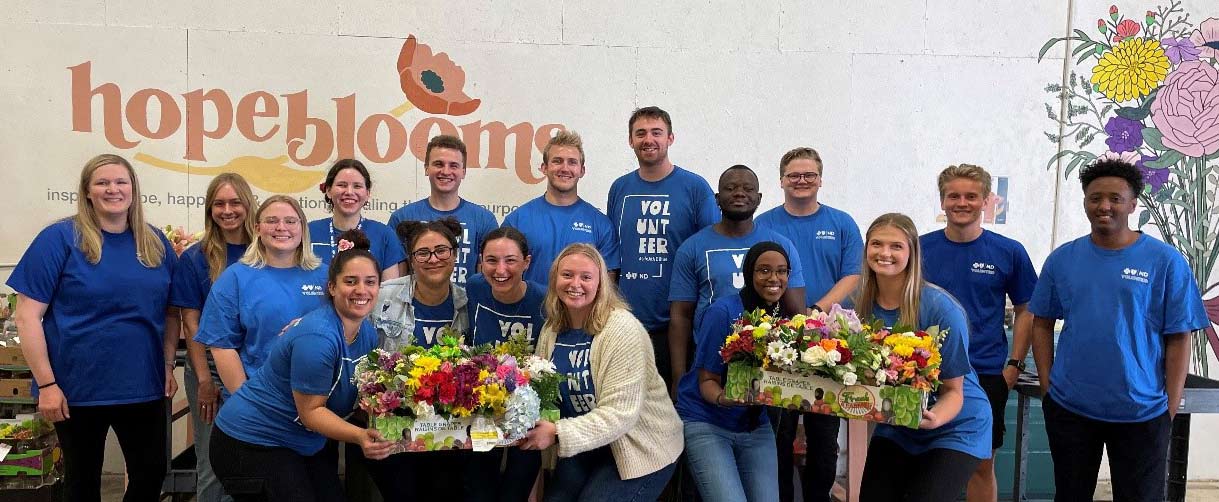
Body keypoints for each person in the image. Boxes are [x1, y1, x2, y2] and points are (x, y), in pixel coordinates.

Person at [1029, 159, 1208, 502]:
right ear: (1085, 202)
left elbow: (1180, 337)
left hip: (1143, 412)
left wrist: (1168, 407)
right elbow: (1041, 321)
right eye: (1095, 198)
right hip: (1071, 409)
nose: (1104, 206)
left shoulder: (1165, 262)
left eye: (1115, 198)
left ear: (1133, 203)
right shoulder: (1063, 260)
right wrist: (1048, 387)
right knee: (1069, 495)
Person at [9, 153, 178, 501]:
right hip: (75, 388)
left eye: (121, 182)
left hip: (143, 385)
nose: (112, 189)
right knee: (82, 481)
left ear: (133, 189)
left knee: (151, 473)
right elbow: (27, 316)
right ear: (87, 191)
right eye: (102, 182)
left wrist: (166, 365)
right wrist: (47, 384)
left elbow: (172, 312)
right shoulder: (59, 239)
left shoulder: (154, 241)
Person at [209, 229, 396, 501]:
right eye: (350, 281)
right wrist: (360, 436)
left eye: (370, 282)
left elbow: (362, 395)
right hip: (249, 441)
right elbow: (311, 413)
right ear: (331, 287)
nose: (361, 290)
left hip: (299, 442)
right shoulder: (318, 337)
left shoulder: (365, 333)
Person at [518, 244, 683, 502]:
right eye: (567, 275)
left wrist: (556, 433)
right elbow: (543, 394)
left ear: (601, 283)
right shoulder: (552, 329)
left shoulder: (622, 329)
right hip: (586, 442)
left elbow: (620, 414)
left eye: (586, 277)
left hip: (640, 446)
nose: (575, 284)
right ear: (554, 279)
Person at [854, 213, 993, 502]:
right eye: (876, 244)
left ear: (912, 252)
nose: (884, 253)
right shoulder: (858, 305)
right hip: (899, 421)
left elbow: (955, 392)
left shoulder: (941, 309)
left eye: (896, 246)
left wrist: (934, 418)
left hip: (953, 422)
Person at [919, 164, 1037, 502]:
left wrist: (1013, 364)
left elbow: (1027, 308)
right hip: (922, 371)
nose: (962, 202)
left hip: (983, 373)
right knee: (923, 459)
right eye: (953, 195)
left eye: (971, 196)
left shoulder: (1008, 252)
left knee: (981, 464)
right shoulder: (918, 248)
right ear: (942, 201)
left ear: (986, 201)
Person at [755, 147, 862, 502]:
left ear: (820, 179)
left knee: (824, 437)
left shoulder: (842, 223)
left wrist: (815, 310)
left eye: (809, 175)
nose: (802, 181)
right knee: (778, 436)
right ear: (781, 180)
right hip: (776, 340)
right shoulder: (763, 224)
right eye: (794, 175)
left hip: (828, 342)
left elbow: (853, 275)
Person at [607, 106, 719, 390]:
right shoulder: (620, 188)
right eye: (640, 133)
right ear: (630, 140)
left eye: (656, 132)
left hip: (678, 324)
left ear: (670, 138)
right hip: (628, 320)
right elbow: (612, 254)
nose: (648, 139)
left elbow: (708, 251)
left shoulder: (695, 187)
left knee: (673, 410)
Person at [668, 164, 805, 393]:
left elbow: (797, 313)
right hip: (710, 362)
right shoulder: (692, 247)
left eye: (747, 188)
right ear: (717, 198)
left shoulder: (781, 245)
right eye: (730, 188)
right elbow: (681, 316)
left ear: (758, 198)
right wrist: (678, 379)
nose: (739, 193)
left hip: (770, 365)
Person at [364, 217, 471, 499]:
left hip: (448, 428)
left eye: (441, 250)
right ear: (411, 259)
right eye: (423, 252)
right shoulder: (383, 295)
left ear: (455, 255)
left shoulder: (468, 302)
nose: (433, 258)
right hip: (394, 425)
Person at [677, 242, 792, 502]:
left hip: (755, 423)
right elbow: (706, 379)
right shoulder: (723, 312)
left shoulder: (785, 320)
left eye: (781, 271)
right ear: (749, 273)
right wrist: (724, 398)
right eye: (764, 270)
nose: (774, 278)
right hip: (708, 420)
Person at [170, 173, 257, 502]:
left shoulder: (265, 251)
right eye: (219, 203)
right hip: (211, 367)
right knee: (212, 461)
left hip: (256, 365)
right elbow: (191, 324)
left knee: (251, 460)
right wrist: (206, 380)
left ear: (248, 205)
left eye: (235, 202)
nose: (228, 210)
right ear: (209, 209)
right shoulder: (196, 258)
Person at [195, 195, 327, 395]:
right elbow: (222, 346)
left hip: (319, 397)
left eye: (290, 221)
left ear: (303, 228)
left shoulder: (326, 277)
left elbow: (345, 328)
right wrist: (247, 400)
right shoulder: (235, 278)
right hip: (261, 395)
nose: (281, 227)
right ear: (257, 228)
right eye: (271, 221)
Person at [464, 226, 547, 501]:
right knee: (479, 491)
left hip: (529, 415)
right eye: (491, 260)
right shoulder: (475, 288)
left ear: (527, 262)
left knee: (516, 491)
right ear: (480, 261)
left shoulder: (546, 301)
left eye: (510, 260)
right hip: (480, 411)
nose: (500, 270)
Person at [503, 130, 620, 284]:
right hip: (529, 308)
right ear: (544, 168)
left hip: (581, 308)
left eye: (572, 162)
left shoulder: (601, 225)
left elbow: (608, 284)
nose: (565, 168)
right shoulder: (516, 221)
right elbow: (503, 272)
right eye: (557, 161)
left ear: (582, 170)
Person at [388, 135, 499, 285]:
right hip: (415, 306)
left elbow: (486, 280)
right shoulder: (402, 218)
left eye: (453, 165)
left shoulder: (484, 220)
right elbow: (398, 281)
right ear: (427, 168)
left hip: (466, 306)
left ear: (463, 172)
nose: (446, 171)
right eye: (438, 164)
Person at [308, 158, 404, 280]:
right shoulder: (309, 231)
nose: (349, 192)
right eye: (342, 185)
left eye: (357, 186)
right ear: (328, 191)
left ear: (367, 193)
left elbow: (389, 294)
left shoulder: (384, 235)